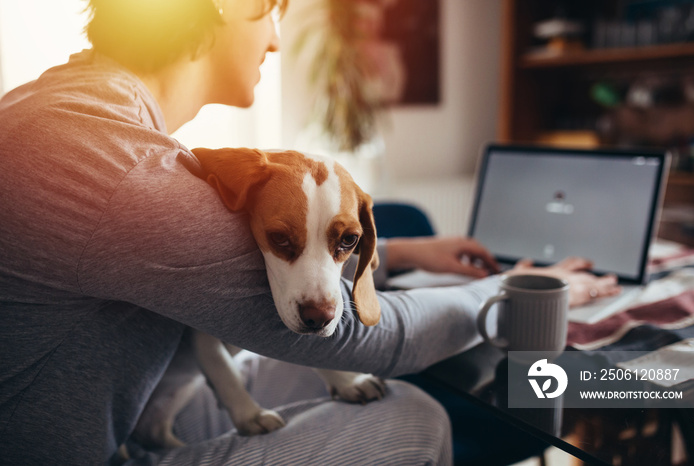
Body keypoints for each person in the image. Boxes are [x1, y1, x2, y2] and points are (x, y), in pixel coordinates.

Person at [0, 0, 621, 464]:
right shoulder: (113, 164)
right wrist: (517, 287)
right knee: (411, 417)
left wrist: (396, 251)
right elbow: (365, 339)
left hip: (142, 402)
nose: (274, 39)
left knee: (405, 376)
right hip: (98, 450)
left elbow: (212, 262)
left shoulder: (72, 115)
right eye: (273, 11)